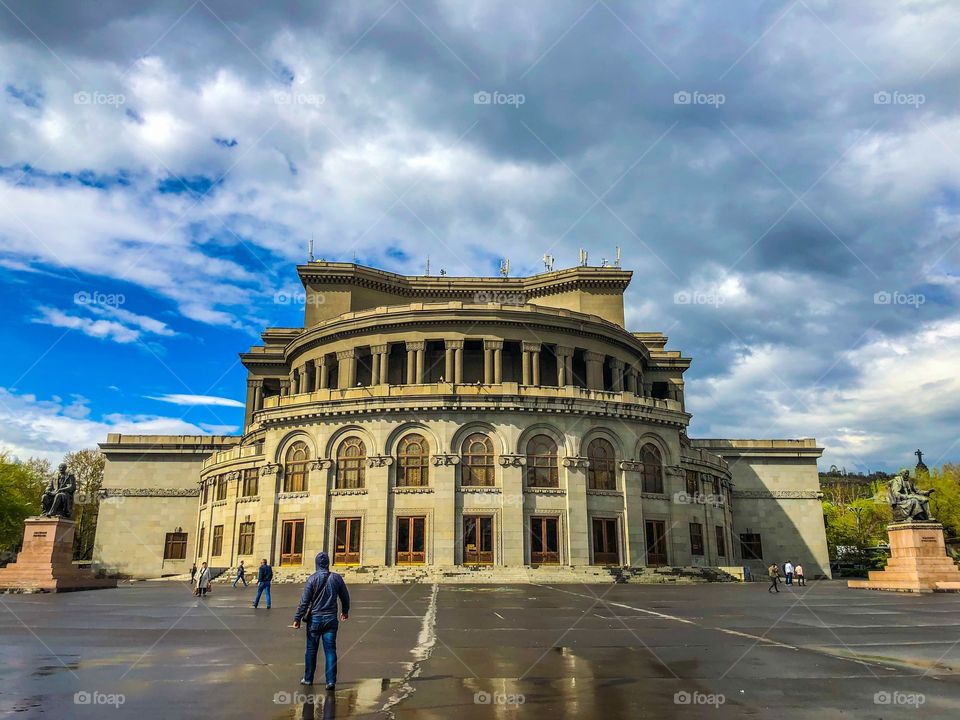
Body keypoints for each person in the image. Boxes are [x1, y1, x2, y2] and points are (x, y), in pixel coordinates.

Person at [292, 551, 350, 691]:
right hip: (330, 619)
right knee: (330, 650)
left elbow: (304, 602)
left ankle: (308, 678)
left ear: (317, 564)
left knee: (311, 650)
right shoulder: (336, 578)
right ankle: (330, 681)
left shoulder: (312, 579)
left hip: (315, 620)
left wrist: (297, 618)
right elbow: (345, 596)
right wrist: (345, 611)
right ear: (328, 563)